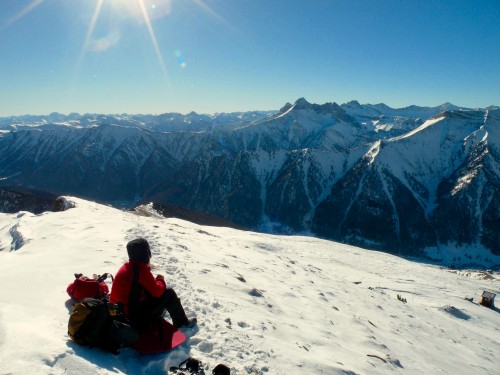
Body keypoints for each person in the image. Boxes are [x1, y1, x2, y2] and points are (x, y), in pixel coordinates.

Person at [110, 237, 197, 330]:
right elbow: (157, 291)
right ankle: (182, 323)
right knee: (169, 293)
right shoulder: (140, 270)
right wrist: (160, 279)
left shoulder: (128, 266)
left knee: (150, 291)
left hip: (120, 313)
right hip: (133, 318)